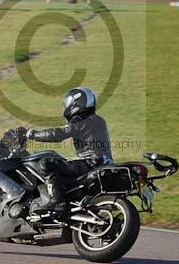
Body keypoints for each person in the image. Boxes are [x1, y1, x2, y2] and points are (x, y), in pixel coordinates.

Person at [25, 87, 113, 216]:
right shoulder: (98, 120)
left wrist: (33, 134)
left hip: (90, 163)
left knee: (46, 162)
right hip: (103, 164)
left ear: (74, 103)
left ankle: (57, 201)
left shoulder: (81, 120)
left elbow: (58, 134)